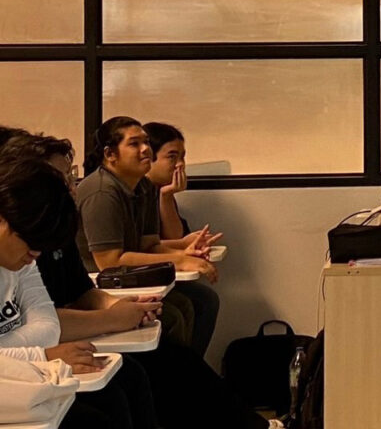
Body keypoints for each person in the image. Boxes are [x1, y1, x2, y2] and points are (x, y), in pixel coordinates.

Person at [2, 131, 283, 429]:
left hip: (56, 340)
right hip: (43, 358)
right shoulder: (96, 197)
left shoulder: (135, 193)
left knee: (167, 346)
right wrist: (112, 319)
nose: (72, 187)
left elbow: (74, 297)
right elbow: (108, 262)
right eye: (135, 144)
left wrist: (121, 307)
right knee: (136, 373)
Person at [0, 152, 149, 429]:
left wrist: (21, 352)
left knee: (125, 381)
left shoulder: (21, 258)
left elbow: (49, 326)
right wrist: (41, 355)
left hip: (22, 380)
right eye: (30, 241)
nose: (35, 254)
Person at [76, 116, 220, 357]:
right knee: (172, 315)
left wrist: (183, 254)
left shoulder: (142, 187)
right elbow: (109, 262)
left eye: (146, 142)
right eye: (134, 144)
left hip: (127, 277)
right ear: (110, 154)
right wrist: (180, 260)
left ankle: (190, 374)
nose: (145, 149)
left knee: (201, 300)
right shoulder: (102, 191)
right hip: (97, 284)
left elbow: (149, 245)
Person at [141, 122, 193, 240]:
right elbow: (145, 245)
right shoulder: (136, 191)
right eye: (172, 157)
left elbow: (175, 237)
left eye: (182, 157)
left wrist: (167, 195)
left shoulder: (159, 189)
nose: (180, 164)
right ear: (148, 157)